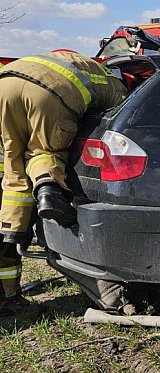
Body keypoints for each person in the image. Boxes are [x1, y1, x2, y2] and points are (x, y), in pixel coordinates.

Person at [0, 50, 128, 313]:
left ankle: (10, 229)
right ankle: (49, 191)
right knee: (45, 153)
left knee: (13, 166)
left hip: (5, 83)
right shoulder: (118, 89)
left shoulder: (80, 62)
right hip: (50, 98)